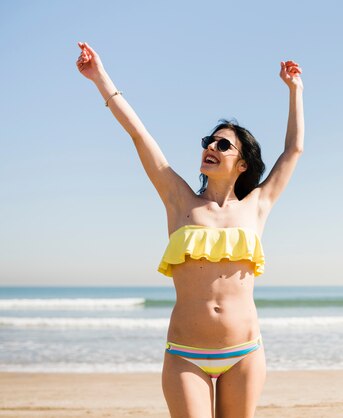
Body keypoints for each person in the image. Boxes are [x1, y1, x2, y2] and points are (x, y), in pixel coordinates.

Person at [75, 41, 304, 418]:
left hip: (244, 351)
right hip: (186, 354)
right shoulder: (178, 199)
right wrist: (100, 78)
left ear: (243, 163)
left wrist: (295, 91)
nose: (210, 146)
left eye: (222, 143)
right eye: (208, 141)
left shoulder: (257, 205)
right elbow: (139, 134)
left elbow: (293, 150)